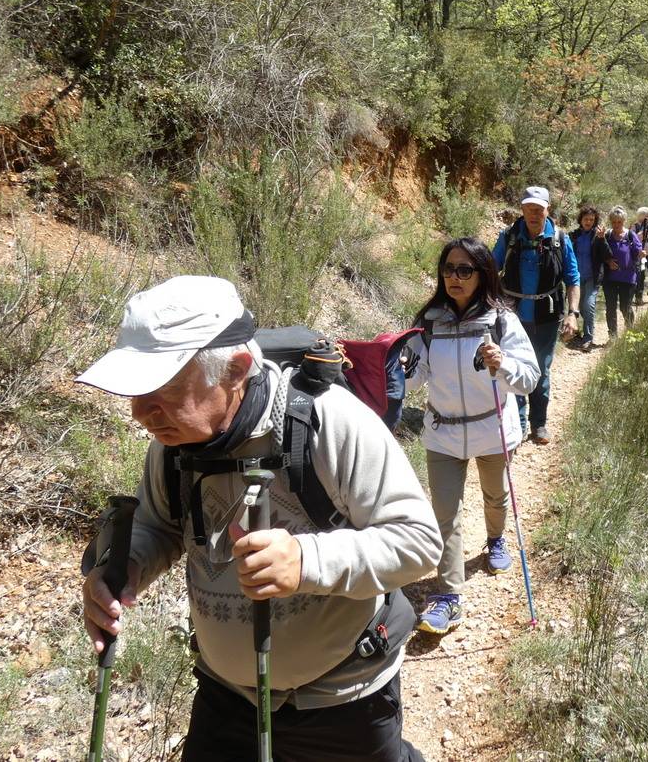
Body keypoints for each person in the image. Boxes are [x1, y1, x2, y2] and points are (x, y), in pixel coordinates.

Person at [77, 275, 442, 762]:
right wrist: (125, 569)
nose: (141, 411)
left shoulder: (329, 422)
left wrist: (305, 560)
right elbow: (158, 526)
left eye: (163, 387)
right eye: (137, 390)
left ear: (236, 369)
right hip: (225, 697)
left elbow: (418, 543)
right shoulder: (170, 447)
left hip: (342, 698)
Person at [401, 238, 541, 635]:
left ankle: (496, 540)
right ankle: (447, 596)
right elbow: (413, 379)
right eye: (449, 269)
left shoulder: (500, 320)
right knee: (445, 516)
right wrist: (391, 364)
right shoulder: (429, 322)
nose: (455, 277)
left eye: (465, 270)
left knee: (495, 496)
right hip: (443, 434)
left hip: (492, 428)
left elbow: (529, 379)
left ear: (482, 274)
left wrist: (504, 363)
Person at [492, 186, 581, 445]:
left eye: (539, 209)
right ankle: (517, 425)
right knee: (514, 369)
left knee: (541, 371)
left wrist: (572, 314)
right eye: (529, 208)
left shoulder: (560, 239)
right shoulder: (508, 237)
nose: (533, 214)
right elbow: (490, 269)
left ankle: (539, 424)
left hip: (547, 318)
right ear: (522, 209)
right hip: (513, 318)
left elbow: (573, 278)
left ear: (547, 210)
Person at [568, 206, 611, 352]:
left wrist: (602, 239)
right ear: (580, 219)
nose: (588, 222)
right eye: (586, 219)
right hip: (575, 279)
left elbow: (607, 256)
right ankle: (574, 332)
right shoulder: (573, 235)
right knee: (576, 306)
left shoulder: (598, 236)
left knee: (589, 305)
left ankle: (588, 338)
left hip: (592, 277)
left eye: (592, 220)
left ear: (595, 221)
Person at [602, 206, 642, 338]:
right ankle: (612, 336)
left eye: (619, 222)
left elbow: (638, 252)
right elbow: (599, 253)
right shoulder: (607, 235)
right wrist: (608, 262)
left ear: (624, 221)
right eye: (614, 222)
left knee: (625, 307)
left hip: (628, 277)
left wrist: (642, 253)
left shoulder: (631, 235)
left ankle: (630, 333)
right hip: (610, 278)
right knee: (610, 308)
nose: (616, 224)